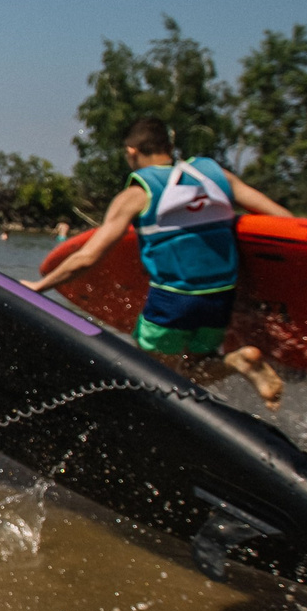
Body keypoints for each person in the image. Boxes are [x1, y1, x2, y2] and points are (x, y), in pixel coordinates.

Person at [29, 116, 287, 408]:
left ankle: (236, 363)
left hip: (172, 302)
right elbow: (284, 220)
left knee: (157, 379)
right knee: (193, 372)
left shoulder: (137, 194)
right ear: (169, 145)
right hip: (220, 300)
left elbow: (88, 257)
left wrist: (41, 285)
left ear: (131, 151)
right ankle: (238, 362)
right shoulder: (217, 176)